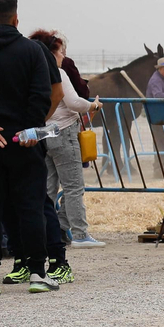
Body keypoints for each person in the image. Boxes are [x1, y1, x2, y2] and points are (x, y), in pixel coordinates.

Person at [0, 0, 60, 294]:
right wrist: (29, 130)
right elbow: (42, 94)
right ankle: (38, 273)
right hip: (24, 142)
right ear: (17, 18)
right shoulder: (32, 51)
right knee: (31, 207)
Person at [28, 30, 103, 248]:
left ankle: (46, 231)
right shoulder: (58, 73)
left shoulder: (34, 72)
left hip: (45, 134)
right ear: (53, 52)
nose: (63, 55)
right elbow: (74, 102)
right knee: (73, 187)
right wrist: (94, 105)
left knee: (48, 187)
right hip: (65, 131)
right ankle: (80, 234)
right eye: (61, 51)